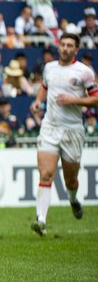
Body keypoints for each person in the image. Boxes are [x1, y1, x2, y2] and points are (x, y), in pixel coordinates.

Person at [28, 33, 98, 236]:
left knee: (70, 180)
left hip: (72, 130)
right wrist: (38, 101)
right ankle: (41, 220)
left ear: (76, 50)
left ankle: (73, 199)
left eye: (70, 45)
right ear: (58, 47)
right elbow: (44, 87)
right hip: (50, 127)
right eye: (63, 44)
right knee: (46, 174)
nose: (65, 48)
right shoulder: (49, 68)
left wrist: (73, 100)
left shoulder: (84, 72)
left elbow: (95, 99)